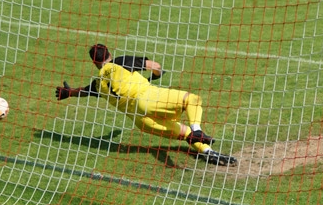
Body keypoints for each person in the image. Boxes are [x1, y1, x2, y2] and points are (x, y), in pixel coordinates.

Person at [55, 44, 236, 166]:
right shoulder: (120, 62)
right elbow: (155, 65)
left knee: (184, 133)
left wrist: (68, 93)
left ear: (94, 62)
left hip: (140, 120)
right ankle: (198, 130)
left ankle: (209, 153)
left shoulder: (98, 83)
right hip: (148, 99)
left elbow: (83, 91)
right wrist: (156, 75)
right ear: (109, 54)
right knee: (192, 100)